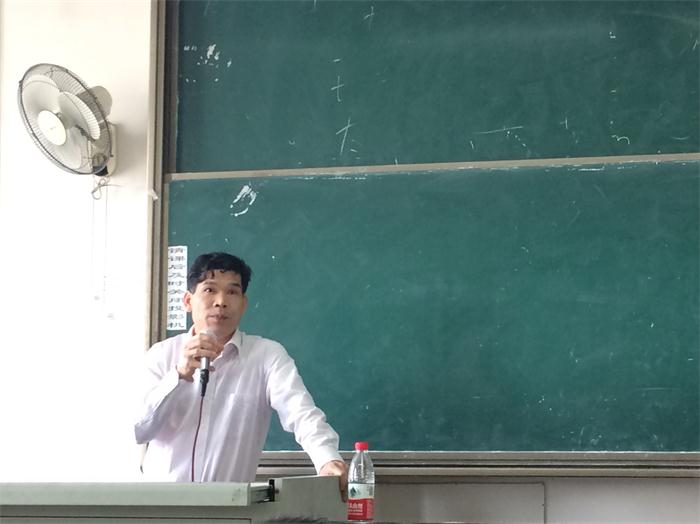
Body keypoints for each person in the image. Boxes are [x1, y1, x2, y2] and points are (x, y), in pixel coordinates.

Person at [134, 252, 347, 500]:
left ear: (244, 304)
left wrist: (327, 458)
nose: (221, 302)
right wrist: (179, 375)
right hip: (159, 506)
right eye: (210, 290)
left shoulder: (266, 356)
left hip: (230, 507)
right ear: (188, 301)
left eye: (232, 292)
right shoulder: (161, 355)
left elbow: (301, 412)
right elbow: (139, 430)